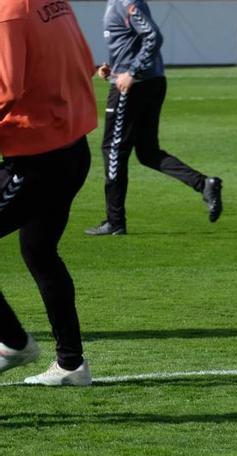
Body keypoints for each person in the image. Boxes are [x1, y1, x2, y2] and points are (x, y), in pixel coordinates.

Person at [0, 0, 98, 385]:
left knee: (40, 251)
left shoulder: (8, 10)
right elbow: (87, 61)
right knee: (39, 250)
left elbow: (6, 88)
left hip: (37, 158)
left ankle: (13, 342)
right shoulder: (53, 2)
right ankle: (72, 365)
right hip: (72, 148)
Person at [85, 0, 223, 236]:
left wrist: (132, 71)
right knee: (148, 152)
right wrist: (112, 67)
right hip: (147, 82)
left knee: (114, 151)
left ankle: (115, 222)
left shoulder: (126, 3)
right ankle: (204, 184)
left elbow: (153, 36)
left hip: (134, 87)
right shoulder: (121, 4)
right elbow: (132, 41)